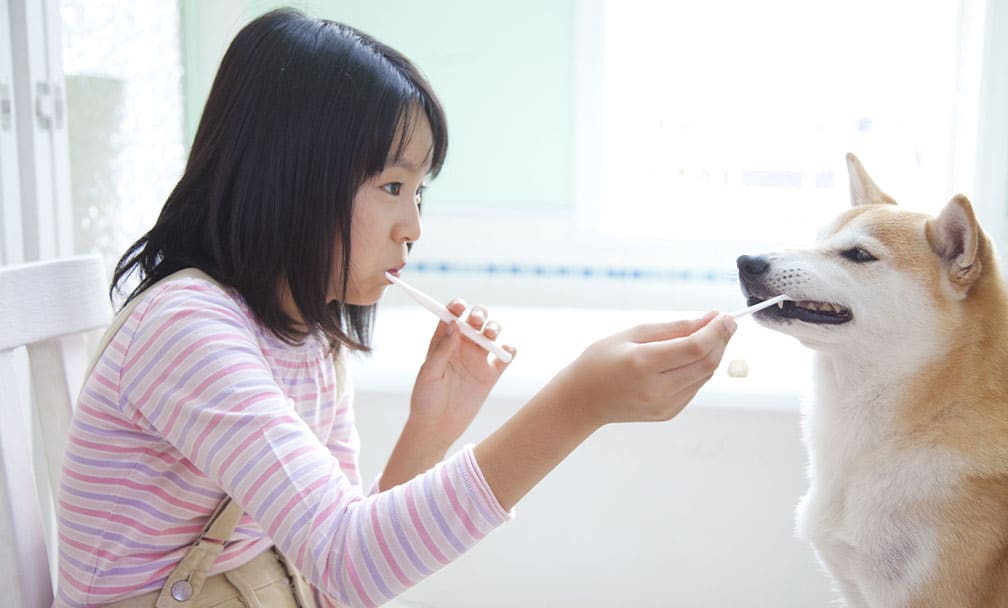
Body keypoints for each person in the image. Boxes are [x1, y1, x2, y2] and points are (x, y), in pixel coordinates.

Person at [56, 8, 737, 607]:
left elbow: (333, 586)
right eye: (392, 185)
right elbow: (348, 565)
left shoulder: (307, 343)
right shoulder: (185, 329)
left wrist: (429, 430)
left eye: (420, 192)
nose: (412, 226)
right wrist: (577, 405)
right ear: (294, 176)